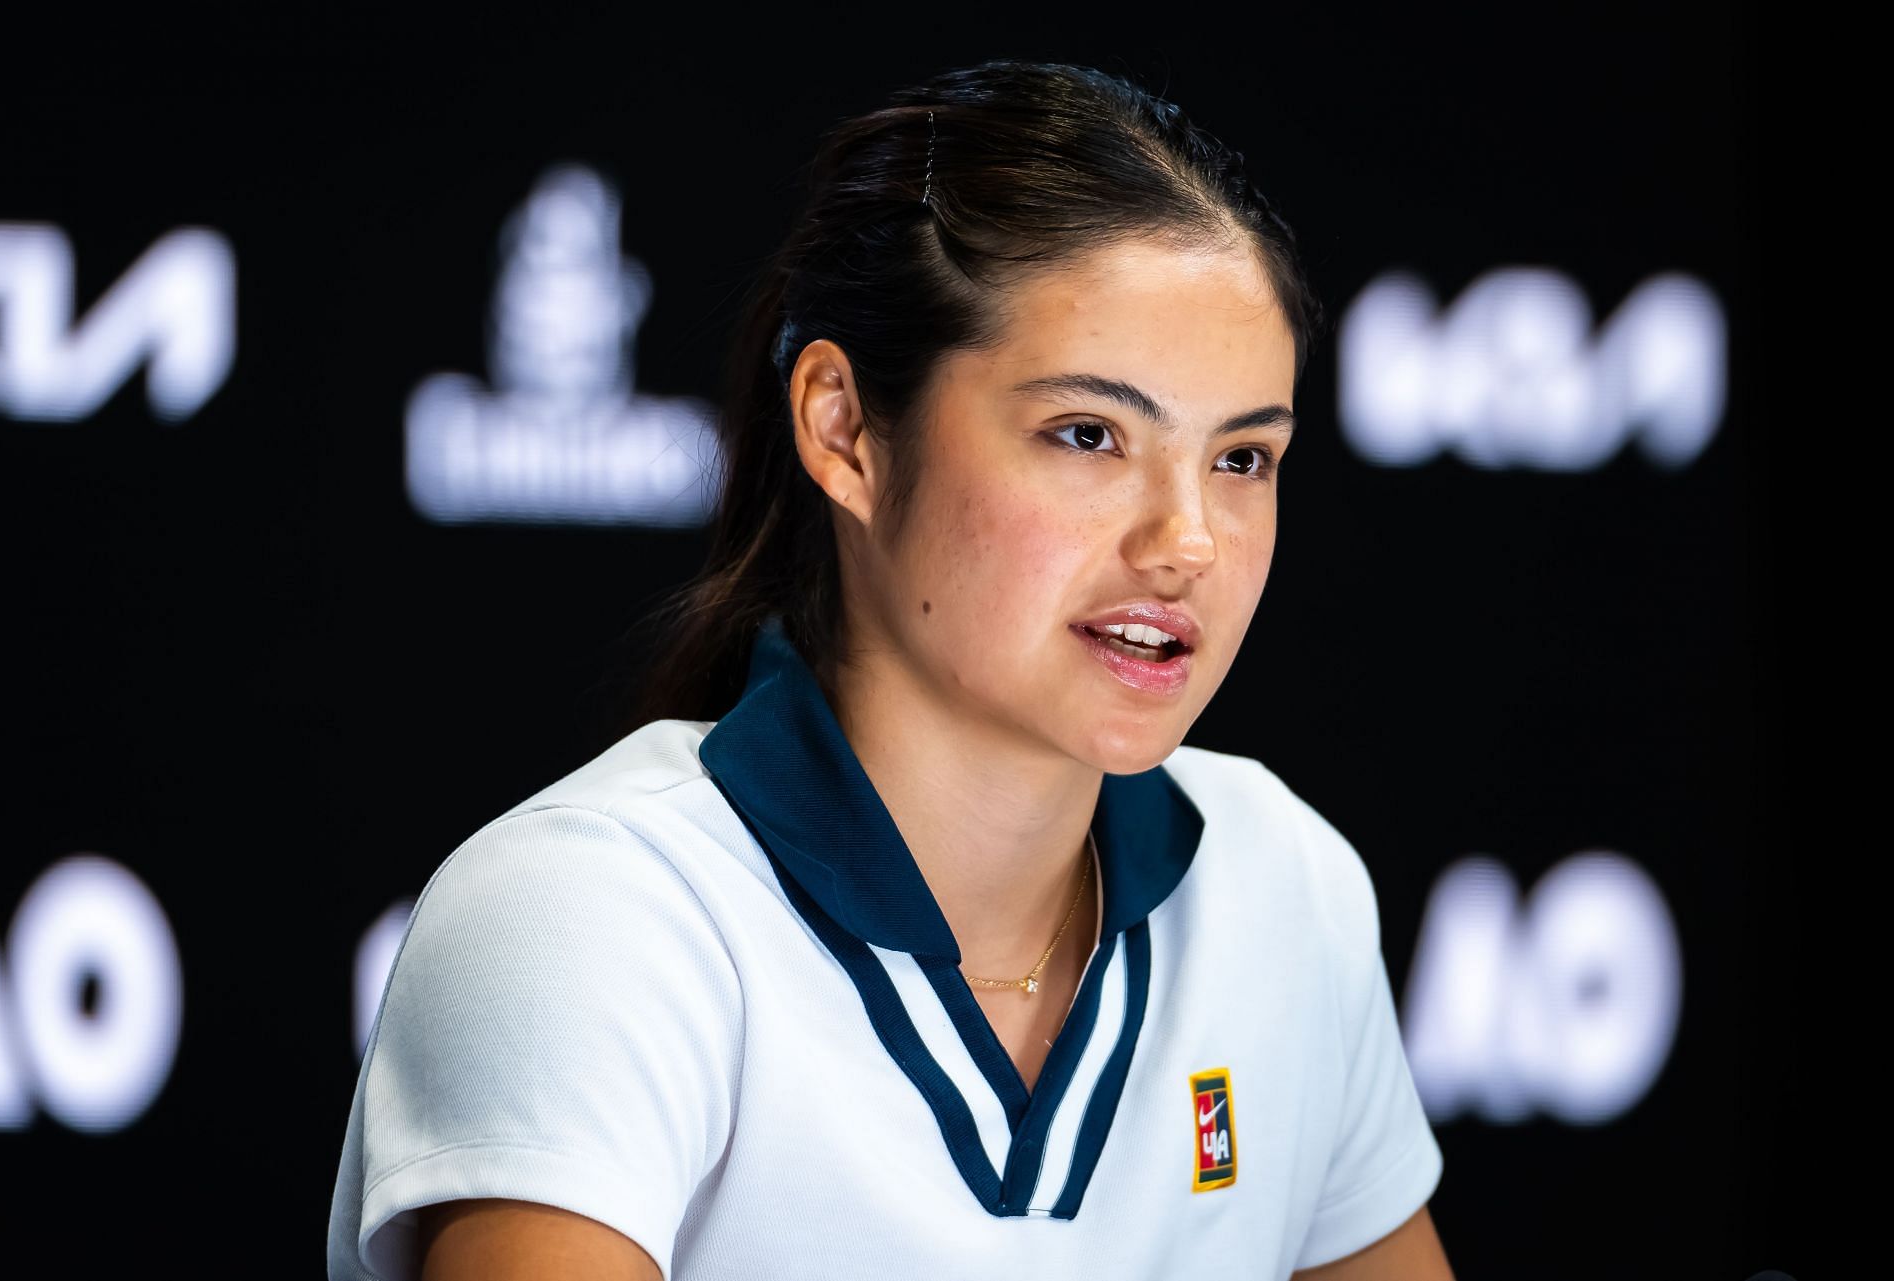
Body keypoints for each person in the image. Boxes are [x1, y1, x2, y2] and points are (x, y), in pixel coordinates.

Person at [327, 59, 1452, 1281]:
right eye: (1088, 435)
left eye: (1243, 459)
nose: (1184, 542)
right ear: (843, 429)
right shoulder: (598, 915)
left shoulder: (1284, 883)